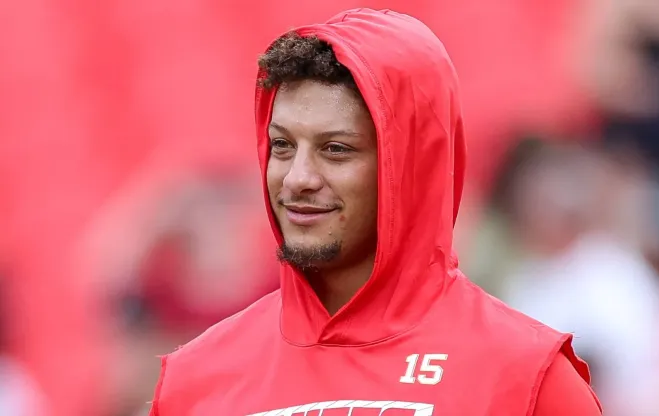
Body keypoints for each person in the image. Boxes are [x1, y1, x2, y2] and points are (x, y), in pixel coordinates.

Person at [149, 8, 602, 415]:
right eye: (283, 145)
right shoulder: (194, 381)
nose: (297, 177)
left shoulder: (528, 378)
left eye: (336, 149)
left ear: (411, 164)